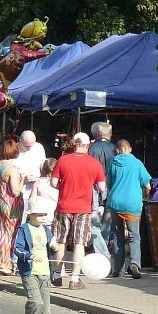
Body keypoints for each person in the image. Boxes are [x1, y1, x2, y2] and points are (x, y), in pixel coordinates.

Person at [51, 132, 106, 289]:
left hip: (63, 207)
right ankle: (74, 279)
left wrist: (65, 186)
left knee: (61, 241)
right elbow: (102, 188)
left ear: (73, 144)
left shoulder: (63, 160)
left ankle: (56, 274)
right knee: (79, 243)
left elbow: (53, 183)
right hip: (83, 208)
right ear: (88, 145)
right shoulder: (94, 163)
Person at [107, 139, 152, 279]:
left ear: (118, 150)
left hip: (115, 204)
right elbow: (147, 185)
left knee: (117, 235)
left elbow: (109, 183)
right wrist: (145, 196)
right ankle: (134, 263)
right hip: (132, 205)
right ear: (130, 149)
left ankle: (118, 269)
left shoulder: (113, 164)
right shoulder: (138, 164)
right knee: (134, 236)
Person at [13, 197, 52, 314]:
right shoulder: (24, 229)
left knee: (45, 308)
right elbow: (17, 249)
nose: (43, 218)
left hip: (45, 272)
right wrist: (29, 256)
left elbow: (50, 245)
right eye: (40, 215)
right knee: (35, 302)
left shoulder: (46, 230)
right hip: (29, 272)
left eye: (45, 215)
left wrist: (53, 245)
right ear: (31, 214)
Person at [0, 139, 24, 276]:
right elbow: (15, 191)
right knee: (9, 234)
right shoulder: (13, 170)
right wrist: (23, 180)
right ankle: (4, 264)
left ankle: (1, 260)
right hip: (10, 204)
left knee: (1, 232)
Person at [89, 121, 117, 251]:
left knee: (94, 221)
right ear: (109, 134)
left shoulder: (90, 148)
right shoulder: (115, 149)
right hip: (111, 187)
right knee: (107, 221)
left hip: (93, 186)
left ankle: (99, 250)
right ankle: (103, 248)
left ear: (97, 134)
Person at [16, 130, 47, 214]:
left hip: (36, 187)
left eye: (31, 145)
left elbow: (43, 165)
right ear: (20, 141)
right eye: (26, 146)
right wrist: (22, 178)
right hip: (21, 188)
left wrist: (41, 177)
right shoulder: (15, 149)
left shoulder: (38, 147)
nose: (29, 148)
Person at [29, 158, 58, 232]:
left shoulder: (38, 182)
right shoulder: (58, 183)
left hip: (41, 217)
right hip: (55, 217)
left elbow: (32, 200)